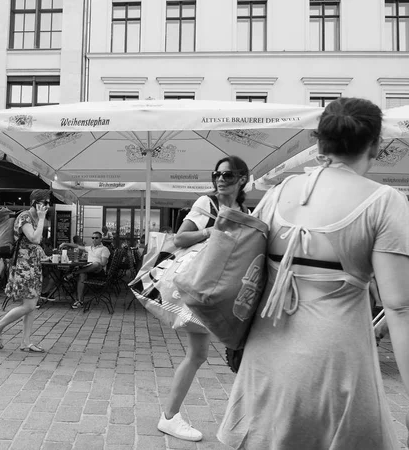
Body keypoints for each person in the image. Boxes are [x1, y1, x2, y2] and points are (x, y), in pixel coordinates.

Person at [217, 98, 409, 449]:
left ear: (319, 142)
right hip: (336, 364)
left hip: (266, 354)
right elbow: (399, 308)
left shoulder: (276, 194)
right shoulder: (384, 202)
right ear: (375, 145)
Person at [157, 155, 250, 442]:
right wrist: (212, 230)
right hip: (201, 289)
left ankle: (170, 417)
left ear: (243, 179)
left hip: (222, 288)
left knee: (199, 354)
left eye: (228, 175)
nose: (221, 180)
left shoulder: (244, 209)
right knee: (241, 349)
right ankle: (172, 417)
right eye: (217, 175)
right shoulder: (205, 204)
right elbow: (179, 239)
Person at [0, 189, 50, 353]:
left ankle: (25, 342)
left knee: (31, 304)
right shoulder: (25, 217)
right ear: (36, 203)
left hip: (33, 266)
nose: (47, 206)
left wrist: (42, 256)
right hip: (24, 267)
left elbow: (34, 244)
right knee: (29, 305)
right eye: (45, 203)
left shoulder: (35, 218)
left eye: (48, 203)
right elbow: (34, 238)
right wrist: (42, 219)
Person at [59, 230, 111, 309]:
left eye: (96, 238)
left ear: (101, 239)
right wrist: (65, 243)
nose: (94, 239)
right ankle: (80, 301)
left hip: (99, 271)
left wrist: (93, 263)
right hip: (89, 271)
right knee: (82, 274)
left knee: (96, 264)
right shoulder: (89, 248)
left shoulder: (104, 249)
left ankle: (74, 273)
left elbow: (103, 263)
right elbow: (77, 246)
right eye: (93, 238)